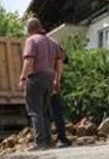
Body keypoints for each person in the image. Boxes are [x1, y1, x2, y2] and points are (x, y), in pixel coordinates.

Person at [20, 17, 64, 151]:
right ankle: (48, 140)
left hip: (36, 78)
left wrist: (22, 78)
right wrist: (57, 79)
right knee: (44, 111)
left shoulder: (31, 40)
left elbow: (29, 61)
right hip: (49, 79)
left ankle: (40, 143)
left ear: (29, 29)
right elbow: (60, 62)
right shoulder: (52, 41)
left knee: (35, 111)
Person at [50, 47, 71, 148]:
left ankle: (61, 138)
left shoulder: (52, 46)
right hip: (52, 80)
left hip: (51, 81)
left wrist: (56, 80)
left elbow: (61, 61)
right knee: (55, 110)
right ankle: (60, 138)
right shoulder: (52, 45)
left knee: (56, 110)